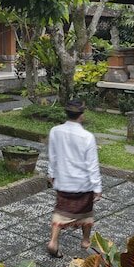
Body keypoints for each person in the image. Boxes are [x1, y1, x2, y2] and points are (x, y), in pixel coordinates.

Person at [45, 99, 102, 257]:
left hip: (63, 182)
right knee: (87, 214)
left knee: (60, 211)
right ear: (81, 115)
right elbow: (92, 165)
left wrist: (51, 174)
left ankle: (53, 241)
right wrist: (97, 187)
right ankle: (85, 240)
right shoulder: (87, 137)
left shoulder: (55, 131)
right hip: (83, 185)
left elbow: (52, 156)